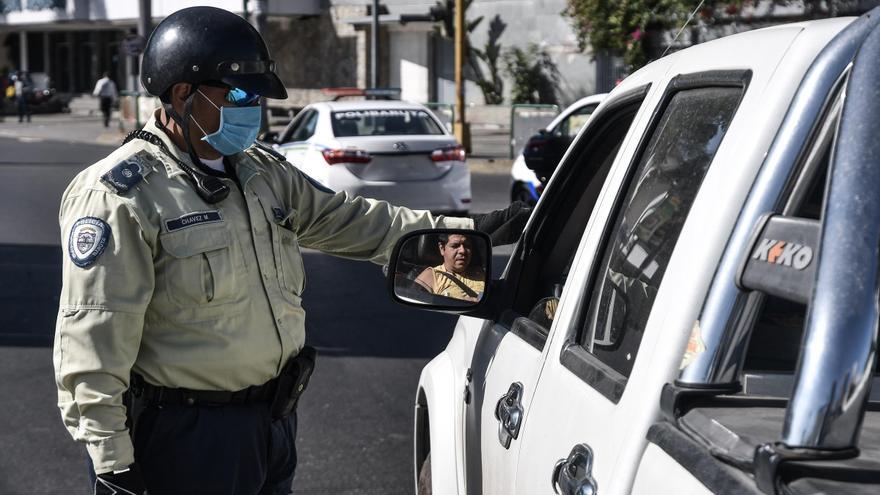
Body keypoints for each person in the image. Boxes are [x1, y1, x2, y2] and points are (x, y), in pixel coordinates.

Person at [53, 6, 530, 495]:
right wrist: (113, 465)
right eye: (237, 94)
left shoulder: (258, 170)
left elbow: (349, 220)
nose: (251, 107)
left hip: (271, 426)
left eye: (255, 96)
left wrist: (461, 230)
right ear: (181, 94)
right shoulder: (121, 195)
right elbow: (93, 340)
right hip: (185, 438)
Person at [415, 233, 486, 301]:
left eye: (467, 246)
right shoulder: (431, 275)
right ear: (442, 249)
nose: (463, 251)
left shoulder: (482, 273)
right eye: (455, 246)